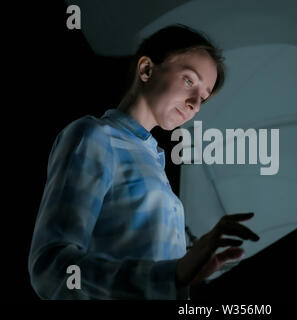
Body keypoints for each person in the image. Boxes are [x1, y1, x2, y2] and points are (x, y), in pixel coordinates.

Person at [28, 24, 259, 300]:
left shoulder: (155, 162)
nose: (195, 104)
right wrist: (172, 274)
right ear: (147, 69)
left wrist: (184, 273)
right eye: (189, 81)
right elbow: (51, 268)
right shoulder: (94, 137)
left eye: (204, 98)